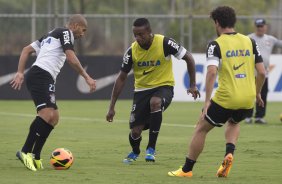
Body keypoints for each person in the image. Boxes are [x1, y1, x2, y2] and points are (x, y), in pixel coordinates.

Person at [168, 6, 266, 178]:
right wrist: (257, 93)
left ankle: (186, 170)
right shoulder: (250, 41)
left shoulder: (216, 44)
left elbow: (212, 71)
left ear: (217, 22)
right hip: (248, 98)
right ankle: (229, 153)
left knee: (201, 128)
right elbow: (262, 72)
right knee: (234, 122)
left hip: (226, 98)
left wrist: (207, 102)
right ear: (233, 21)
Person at [106, 18, 200, 163]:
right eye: (135, 35)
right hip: (141, 92)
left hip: (164, 87)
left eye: (141, 34)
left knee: (155, 102)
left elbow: (189, 58)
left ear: (150, 32)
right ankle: (135, 151)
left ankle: (151, 148)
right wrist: (111, 107)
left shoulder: (165, 43)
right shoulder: (131, 52)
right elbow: (121, 78)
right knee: (135, 132)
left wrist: (193, 85)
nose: (137, 38)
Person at [10, 14, 96, 171]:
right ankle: (25, 152)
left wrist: (21, 72)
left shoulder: (49, 35)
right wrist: (87, 77)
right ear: (75, 25)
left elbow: (25, 50)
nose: (83, 34)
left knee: (54, 117)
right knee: (46, 114)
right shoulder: (65, 33)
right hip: (40, 75)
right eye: (83, 30)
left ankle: (36, 155)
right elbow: (70, 57)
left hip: (43, 76)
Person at [245, 18, 282, 124]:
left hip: (264, 73)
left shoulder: (271, 39)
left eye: (262, 26)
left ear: (265, 27)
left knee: (263, 94)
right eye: (258, 26)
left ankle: (259, 117)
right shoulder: (248, 38)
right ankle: (247, 116)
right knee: (249, 94)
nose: (260, 28)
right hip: (251, 72)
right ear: (255, 27)